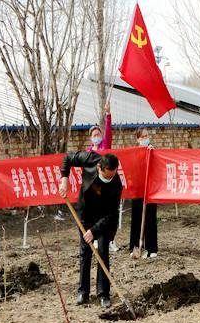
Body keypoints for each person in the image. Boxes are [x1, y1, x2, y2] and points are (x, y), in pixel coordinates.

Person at [59, 151, 122, 308]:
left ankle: (103, 293)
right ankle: (83, 292)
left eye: (113, 175)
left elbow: (111, 215)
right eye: (107, 176)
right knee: (85, 253)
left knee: (102, 252)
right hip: (86, 214)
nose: (110, 178)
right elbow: (67, 158)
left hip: (103, 221)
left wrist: (94, 231)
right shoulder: (90, 159)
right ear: (99, 167)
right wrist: (64, 179)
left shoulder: (116, 184)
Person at [85, 102, 120, 253]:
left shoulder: (104, 147)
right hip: (95, 187)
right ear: (91, 138)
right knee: (96, 213)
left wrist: (108, 114)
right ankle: (96, 238)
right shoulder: (87, 152)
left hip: (107, 187)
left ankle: (110, 240)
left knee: (110, 214)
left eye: (99, 134)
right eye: (94, 135)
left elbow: (109, 133)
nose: (97, 137)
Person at [129, 127, 158, 260]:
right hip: (137, 191)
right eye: (143, 137)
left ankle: (152, 248)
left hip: (151, 190)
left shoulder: (152, 151)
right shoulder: (134, 153)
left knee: (150, 219)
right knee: (136, 219)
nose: (145, 139)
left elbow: (157, 168)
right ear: (138, 139)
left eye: (147, 136)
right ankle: (135, 246)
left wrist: (152, 153)